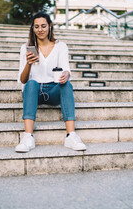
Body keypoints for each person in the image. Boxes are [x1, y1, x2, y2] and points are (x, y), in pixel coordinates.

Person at [15, 12, 87, 153]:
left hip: (53, 90)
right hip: (34, 92)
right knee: (30, 83)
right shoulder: (26, 48)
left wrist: (66, 74)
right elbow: (22, 80)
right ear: (32, 28)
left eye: (43, 26)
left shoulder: (61, 46)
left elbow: (66, 70)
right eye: (36, 27)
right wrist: (29, 64)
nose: (40, 30)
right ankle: (28, 137)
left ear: (50, 26)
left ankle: (71, 136)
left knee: (67, 85)